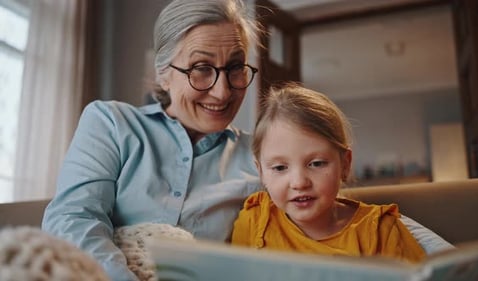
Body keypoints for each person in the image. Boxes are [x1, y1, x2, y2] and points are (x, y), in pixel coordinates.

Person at [41, 0, 451, 280]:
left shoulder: (264, 160)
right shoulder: (111, 123)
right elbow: (72, 219)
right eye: (201, 69)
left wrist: (451, 259)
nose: (223, 92)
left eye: (235, 67)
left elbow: (348, 214)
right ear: (163, 72)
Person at [231, 83, 426, 263]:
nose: (299, 183)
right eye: (280, 168)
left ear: (345, 164)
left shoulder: (381, 231)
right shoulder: (254, 221)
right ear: (261, 173)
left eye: (316, 164)